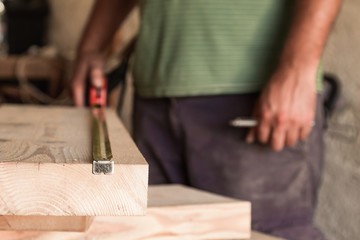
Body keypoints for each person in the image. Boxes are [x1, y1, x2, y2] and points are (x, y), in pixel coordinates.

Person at [71, 1, 342, 239]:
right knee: (152, 231)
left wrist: (298, 68)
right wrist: (91, 47)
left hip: (253, 98)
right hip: (155, 93)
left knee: (260, 232)